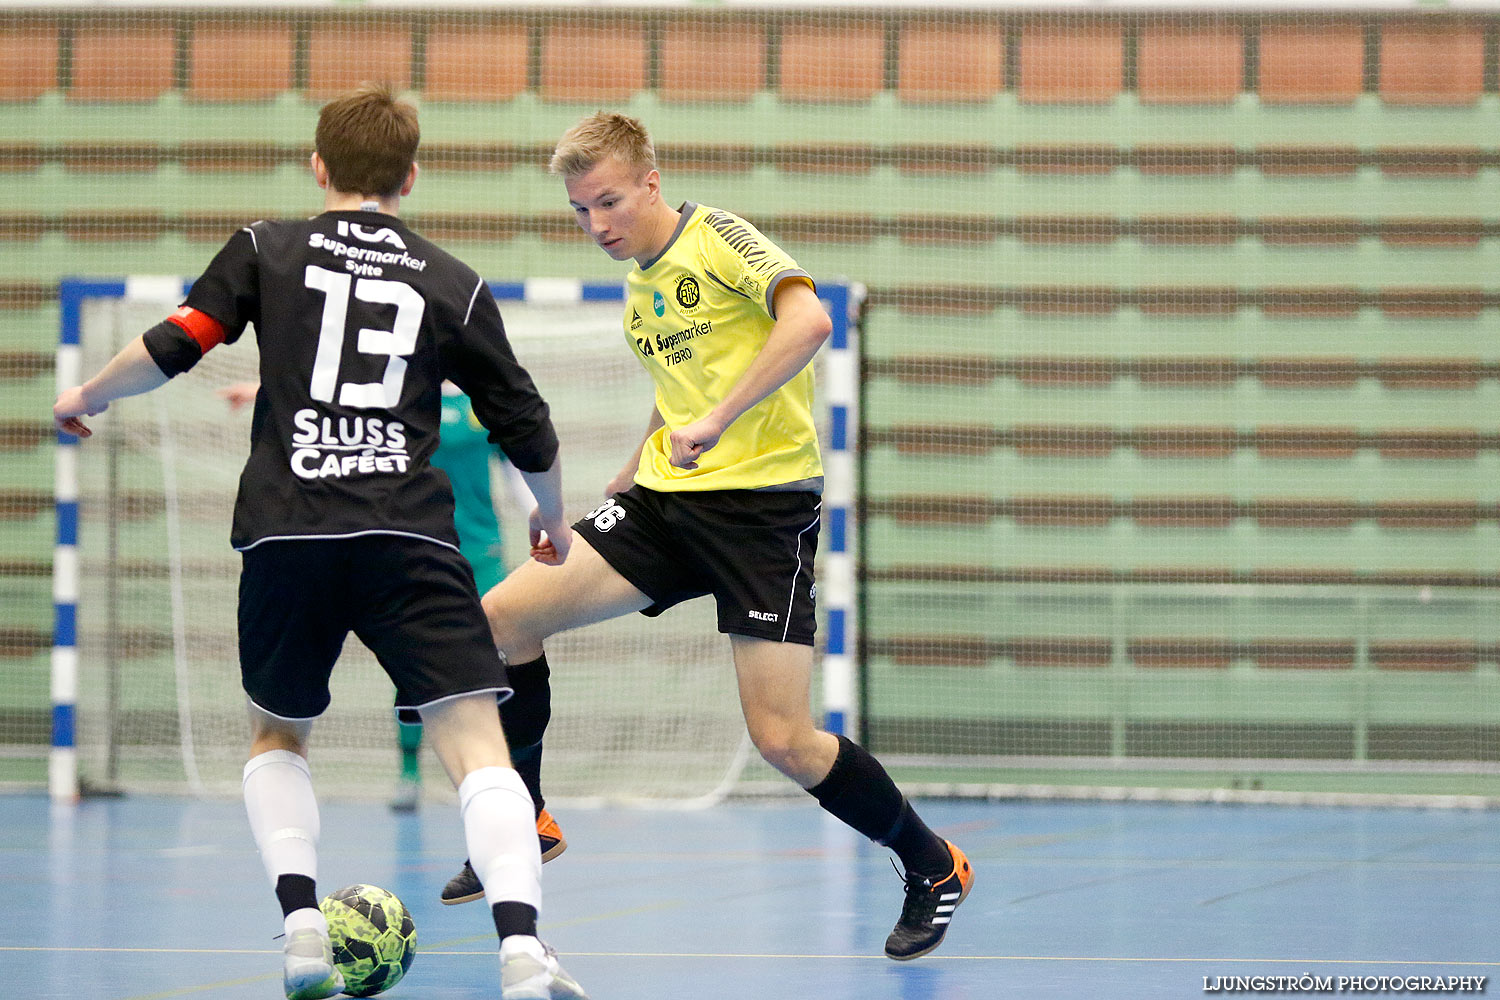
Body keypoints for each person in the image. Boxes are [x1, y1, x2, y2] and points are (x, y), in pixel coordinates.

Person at [53, 84, 587, 1000]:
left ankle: (302, 930)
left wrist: (88, 394)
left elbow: (179, 340)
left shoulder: (266, 247)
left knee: (278, 735)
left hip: (287, 532)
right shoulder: (450, 281)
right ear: (411, 177)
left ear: (318, 166)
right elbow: (525, 422)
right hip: (407, 536)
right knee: (477, 745)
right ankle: (523, 953)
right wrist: (549, 513)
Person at [441, 110, 974, 962]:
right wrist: (630, 467)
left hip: (760, 514)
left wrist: (721, 421)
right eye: (581, 211)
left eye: (609, 201)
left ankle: (931, 863)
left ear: (651, 181)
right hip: (666, 503)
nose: (598, 225)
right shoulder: (640, 283)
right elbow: (683, 383)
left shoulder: (718, 238)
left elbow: (808, 324)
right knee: (502, 619)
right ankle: (526, 820)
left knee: (783, 740)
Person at [223, 376, 565, 848]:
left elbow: (517, 468)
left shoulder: (480, 401)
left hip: (481, 552)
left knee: (491, 665)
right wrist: (264, 384)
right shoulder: (399, 389)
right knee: (411, 665)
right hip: (417, 549)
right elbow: (327, 372)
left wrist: (545, 518)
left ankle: (500, 781)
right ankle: (409, 774)